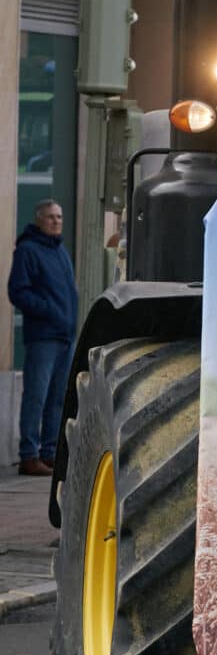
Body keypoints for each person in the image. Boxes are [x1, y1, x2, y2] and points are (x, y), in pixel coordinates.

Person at [9, 201, 76, 477]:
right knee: (36, 396)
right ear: (39, 220)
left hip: (65, 336)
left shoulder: (60, 250)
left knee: (57, 398)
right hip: (43, 337)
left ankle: (48, 453)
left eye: (59, 216)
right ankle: (29, 455)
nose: (56, 221)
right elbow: (18, 292)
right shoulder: (28, 250)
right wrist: (48, 311)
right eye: (50, 217)